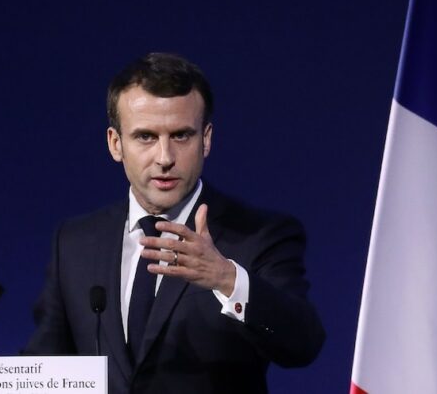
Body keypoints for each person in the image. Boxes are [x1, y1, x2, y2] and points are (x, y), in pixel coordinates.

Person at [24, 53, 325, 393]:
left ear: (206, 140)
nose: (165, 158)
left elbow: (304, 343)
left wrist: (227, 278)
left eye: (181, 136)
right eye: (146, 137)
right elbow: (46, 365)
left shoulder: (259, 236)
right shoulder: (76, 242)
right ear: (115, 143)